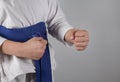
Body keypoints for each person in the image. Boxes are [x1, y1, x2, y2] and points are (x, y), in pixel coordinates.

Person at [0, 0, 89, 82]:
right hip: (8, 68)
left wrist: (70, 34)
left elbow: (56, 21)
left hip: (42, 60)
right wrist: (20, 49)